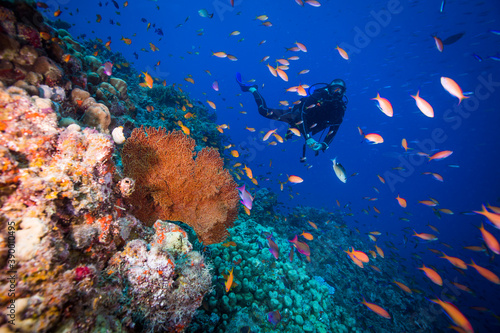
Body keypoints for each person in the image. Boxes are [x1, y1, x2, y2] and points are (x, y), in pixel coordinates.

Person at [236, 73, 348, 162]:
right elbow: (301, 115)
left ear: (343, 92)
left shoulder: (340, 108)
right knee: (263, 111)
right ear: (329, 88)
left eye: (340, 90)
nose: (337, 92)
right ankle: (252, 89)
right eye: (335, 89)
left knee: (294, 133)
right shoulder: (318, 96)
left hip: (309, 127)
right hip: (295, 117)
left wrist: (323, 145)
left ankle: (291, 132)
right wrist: (308, 137)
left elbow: (334, 129)